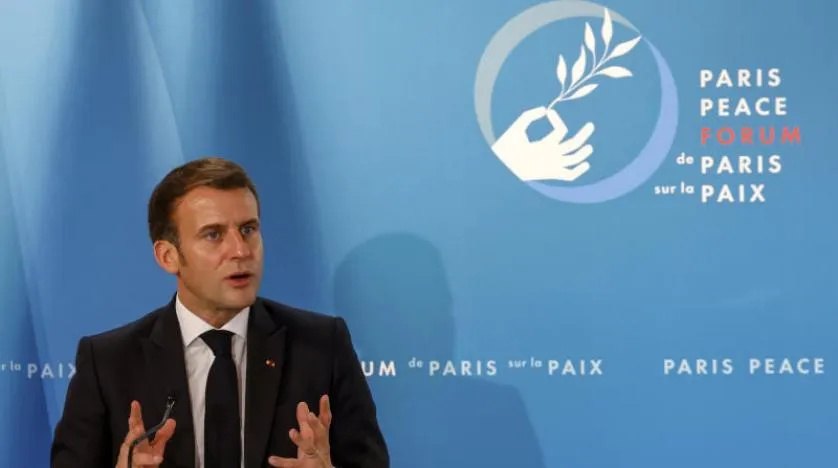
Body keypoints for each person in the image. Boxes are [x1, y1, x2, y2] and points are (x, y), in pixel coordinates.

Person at [50, 157, 389, 468]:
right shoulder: (109, 362)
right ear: (168, 256)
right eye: (213, 235)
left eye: (248, 229)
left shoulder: (321, 346)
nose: (240, 250)